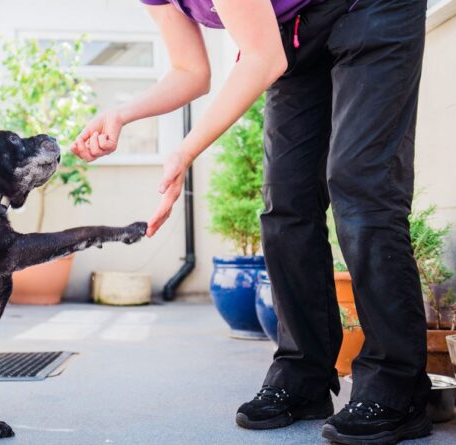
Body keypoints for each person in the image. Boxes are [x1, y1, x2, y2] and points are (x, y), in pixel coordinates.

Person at [70, 0, 431, 443]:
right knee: (286, 201)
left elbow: (262, 59)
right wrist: (123, 113)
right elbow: (190, 71)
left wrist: (184, 151)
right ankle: (302, 376)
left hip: (372, 8)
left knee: (361, 186)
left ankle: (397, 387)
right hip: (293, 32)